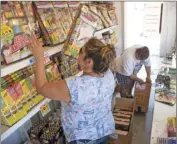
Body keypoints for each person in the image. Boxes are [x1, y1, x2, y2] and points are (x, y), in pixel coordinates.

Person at [28, 36, 116, 144]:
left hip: (82, 138)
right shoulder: (108, 74)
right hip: (104, 129)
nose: (77, 55)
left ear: (89, 62)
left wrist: (39, 58)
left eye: (81, 52)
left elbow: (41, 88)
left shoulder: (75, 86)